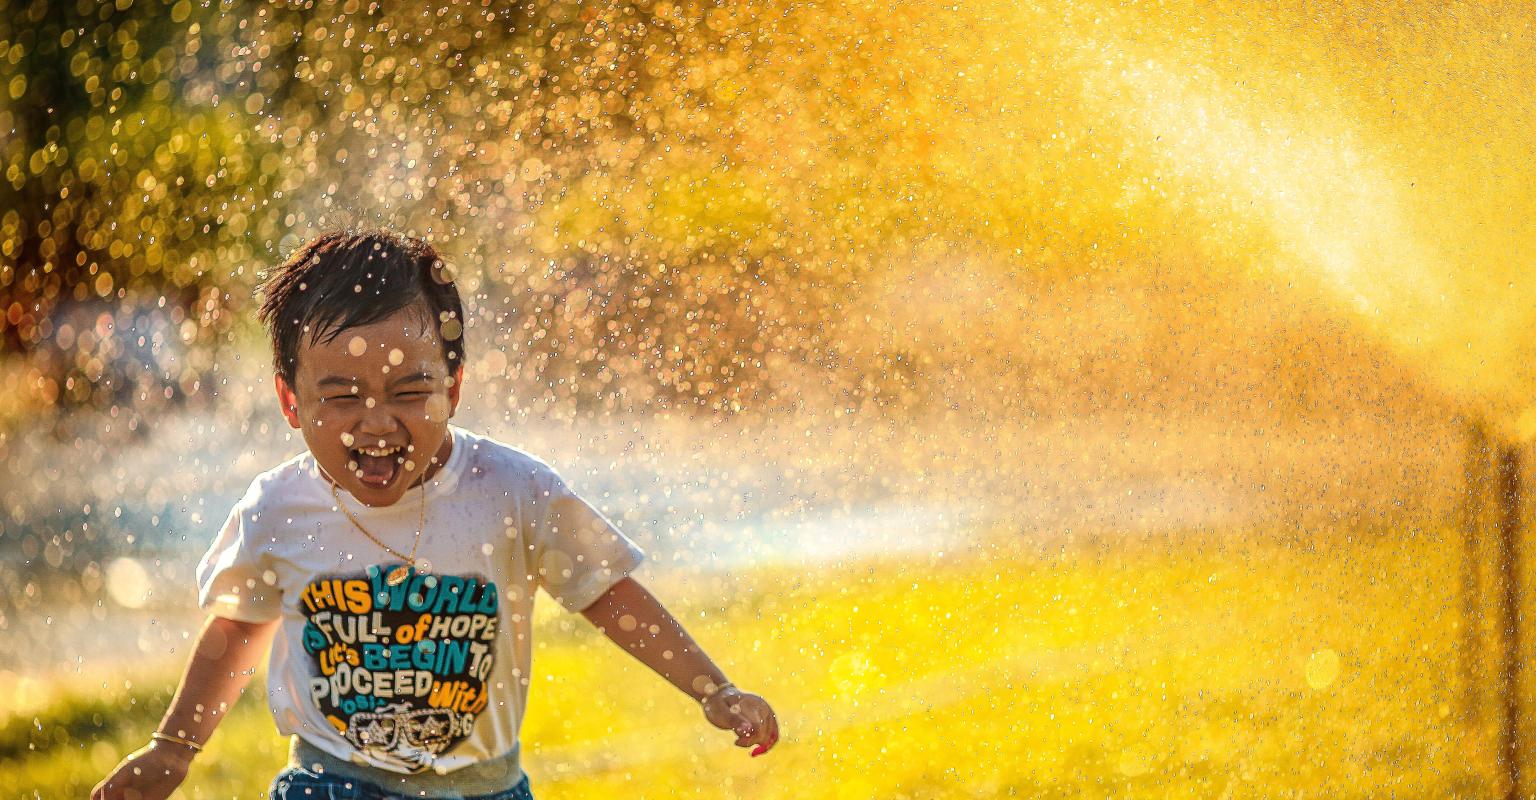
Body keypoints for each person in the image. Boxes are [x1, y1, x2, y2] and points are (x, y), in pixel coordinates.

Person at [92, 230, 779, 800]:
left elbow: (607, 592)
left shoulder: (512, 491)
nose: (376, 422)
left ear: (453, 387)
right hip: (332, 784)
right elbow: (237, 630)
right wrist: (173, 748)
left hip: (484, 787)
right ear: (291, 401)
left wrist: (712, 688)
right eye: (341, 395)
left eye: (409, 389)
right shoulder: (279, 508)